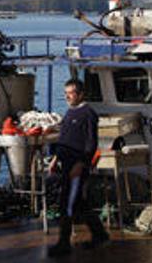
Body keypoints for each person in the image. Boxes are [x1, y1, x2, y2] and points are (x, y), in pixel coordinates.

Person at [47, 77, 107, 256]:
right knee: (79, 203)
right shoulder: (69, 112)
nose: (67, 97)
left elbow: (91, 144)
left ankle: (63, 244)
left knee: (68, 205)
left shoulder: (88, 114)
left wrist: (81, 164)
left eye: (70, 93)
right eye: (65, 94)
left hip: (77, 166)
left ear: (81, 94)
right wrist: (55, 158)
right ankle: (100, 234)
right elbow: (64, 139)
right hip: (65, 164)